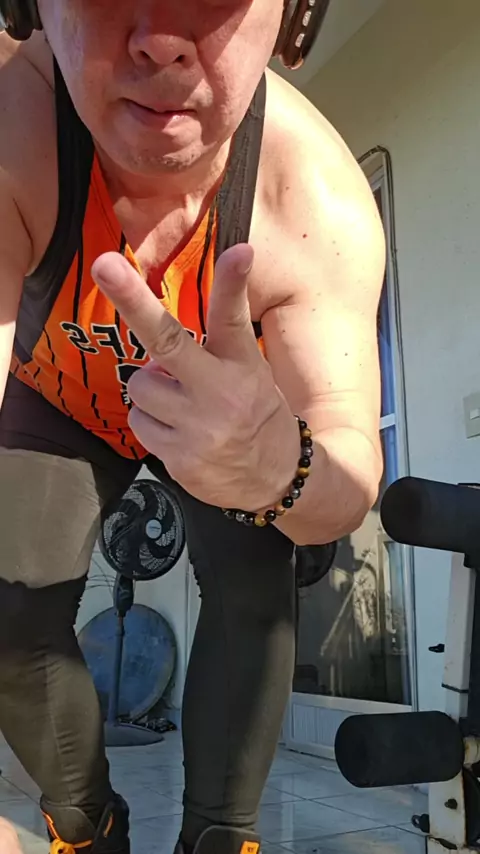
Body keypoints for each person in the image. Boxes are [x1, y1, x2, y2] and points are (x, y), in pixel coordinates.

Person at [0, 0, 385, 851]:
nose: (160, 40)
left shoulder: (313, 200)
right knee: (12, 602)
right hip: (58, 396)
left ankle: (220, 836)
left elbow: (348, 484)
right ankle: (84, 824)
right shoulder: (12, 126)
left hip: (226, 419)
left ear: (295, 15)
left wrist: (279, 468)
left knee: (256, 591)